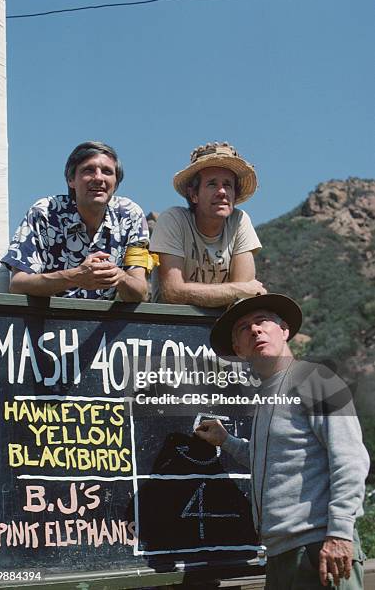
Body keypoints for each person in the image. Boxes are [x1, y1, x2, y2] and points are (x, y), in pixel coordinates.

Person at [196, 293, 369, 589]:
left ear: (284, 330)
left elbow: (350, 459)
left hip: (320, 547)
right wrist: (226, 441)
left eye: (262, 321)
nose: (255, 330)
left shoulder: (317, 379)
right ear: (238, 348)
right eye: (243, 328)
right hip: (280, 556)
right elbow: (274, 456)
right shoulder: (267, 396)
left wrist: (339, 533)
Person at [1, 141, 151, 301]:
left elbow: (140, 293)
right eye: (89, 170)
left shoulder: (130, 215)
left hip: (104, 323)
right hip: (46, 321)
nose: (99, 178)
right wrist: (74, 276)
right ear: (71, 180)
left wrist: (120, 277)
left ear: (116, 184)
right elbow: (17, 285)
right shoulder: (44, 212)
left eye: (107, 171)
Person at [150, 142, 266, 306]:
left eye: (227, 185)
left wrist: (241, 290)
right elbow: (172, 292)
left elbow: (244, 299)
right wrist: (236, 290)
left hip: (223, 326)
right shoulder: (174, 219)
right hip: (173, 325)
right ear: (193, 195)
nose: (222, 192)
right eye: (212, 184)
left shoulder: (239, 221)